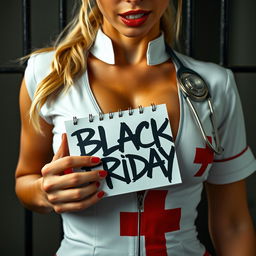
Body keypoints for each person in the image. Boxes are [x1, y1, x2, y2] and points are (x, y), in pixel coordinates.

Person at [15, 0, 256, 255]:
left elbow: (233, 223)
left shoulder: (215, 85)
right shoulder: (46, 74)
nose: (133, 0)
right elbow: (25, 179)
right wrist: (44, 192)